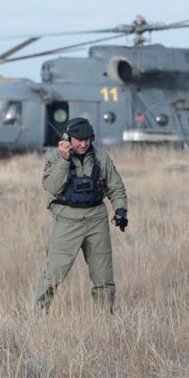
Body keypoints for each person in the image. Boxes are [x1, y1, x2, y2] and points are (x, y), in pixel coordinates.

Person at [33, 117, 128, 314]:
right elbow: (51, 186)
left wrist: (121, 210)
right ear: (69, 138)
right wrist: (64, 160)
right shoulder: (55, 157)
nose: (84, 143)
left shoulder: (101, 157)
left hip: (96, 220)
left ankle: (105, 320)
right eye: (79, 139)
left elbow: (116, 186)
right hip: (67, 221)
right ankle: (37, 318)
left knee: (103, 277)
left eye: (88, 139)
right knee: (54, 274)